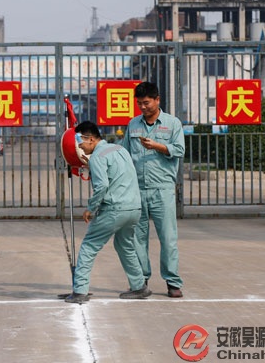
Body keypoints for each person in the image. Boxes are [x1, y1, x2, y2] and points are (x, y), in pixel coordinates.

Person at [64, 121, 149, 304]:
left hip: (114, 209)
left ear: (91, 139)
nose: (79, 146)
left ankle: (80, 291)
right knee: (125, 245)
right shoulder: (120, 149)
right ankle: (139, 286)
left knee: (89, 246)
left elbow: (102, 186)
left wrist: (90, 208)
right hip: (134, 208)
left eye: (80, 141)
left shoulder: (97, 157)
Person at [121, 81, 185, 298]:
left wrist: (157, 146)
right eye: (139, 103)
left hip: (162, 189)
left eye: (146, 102)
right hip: (137, 190)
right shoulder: (133, 124)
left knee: (168, 238)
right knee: (137, 238)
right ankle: (140, 282)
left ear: (157, 100)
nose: (143, 107)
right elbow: (124, 153)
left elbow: (179, 150)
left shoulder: (172, 123)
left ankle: (173, 282)